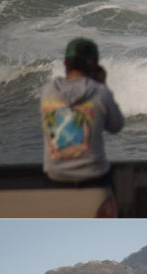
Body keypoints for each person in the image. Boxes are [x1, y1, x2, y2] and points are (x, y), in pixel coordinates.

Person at [40, 37, 125, 183]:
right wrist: (102, 85)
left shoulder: (48, 92)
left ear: (65, 62)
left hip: (55, 175)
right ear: (93, 64)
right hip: (93, 175)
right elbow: (116, 126)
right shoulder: (99, 92)